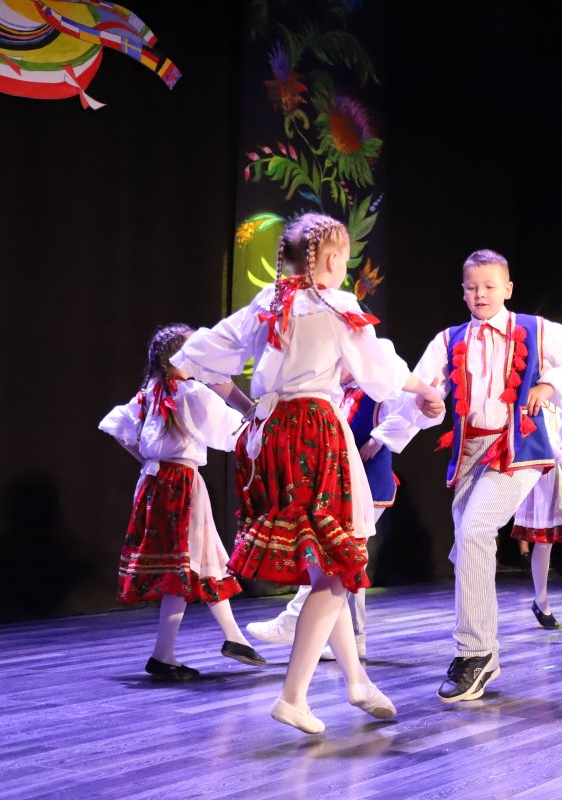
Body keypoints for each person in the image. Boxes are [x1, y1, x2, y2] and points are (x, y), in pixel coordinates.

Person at [172, 213, 444, 733]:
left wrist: (249, 404)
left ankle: (357, 681)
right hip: (314, 433)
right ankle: (293, 696)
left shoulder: (267, 303)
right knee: (339, 564)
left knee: (326, 566)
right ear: (332, 259)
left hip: (270, 435)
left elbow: (197, 355)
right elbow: (377, 371)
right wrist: (426, 390)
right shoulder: (336, 305)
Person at [409, 248, 562, 702]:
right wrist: (426, 404)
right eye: (472, 287)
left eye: (490, 286)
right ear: (463, 291)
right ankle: (484, 654)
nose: (480, 294)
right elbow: (422, 388)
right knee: (467, 545)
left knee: (475, 530)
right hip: (471, 450)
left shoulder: (534, 329)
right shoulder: (449, 339)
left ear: (507, 289)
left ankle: (474, 652)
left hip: (519, 448)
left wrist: (549, 384)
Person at [99, 324, 266, 680]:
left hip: (155, 483)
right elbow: (236, 430)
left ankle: (233, 638)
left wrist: (147, 460)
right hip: (180, 484)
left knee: (202, 560)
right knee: (186, 565)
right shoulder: (189, 393)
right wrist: (261, 419)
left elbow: (118, 428)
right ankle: (166, 654)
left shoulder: (149, 393)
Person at [245, 375, 419, 661]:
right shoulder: (337, 392)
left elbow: (412, 408)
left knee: (340, 558)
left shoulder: (377, 385)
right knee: (345, 559)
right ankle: (352, 639)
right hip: (341, 485)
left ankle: (295, 621)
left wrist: (379, 439)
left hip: (369, 483)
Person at [512, 403, 562, 629]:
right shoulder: (534, 401)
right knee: (543, 539)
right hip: (543, 471)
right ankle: (541, 600)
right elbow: (542, 436)